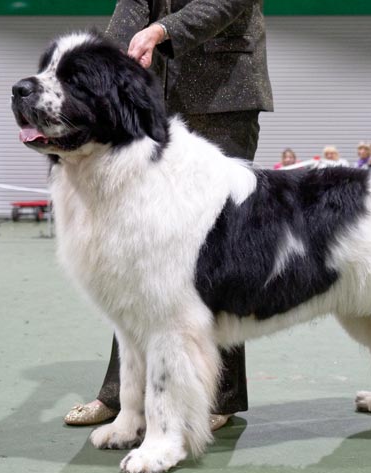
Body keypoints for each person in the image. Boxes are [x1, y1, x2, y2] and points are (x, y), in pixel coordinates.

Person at [63, 0, 273, 431]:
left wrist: (162, 31)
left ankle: (221, 396)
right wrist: (105, 58)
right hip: (156, 97)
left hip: (224, 99)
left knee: (213, 256)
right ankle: (123, 396)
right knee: (139, 257)